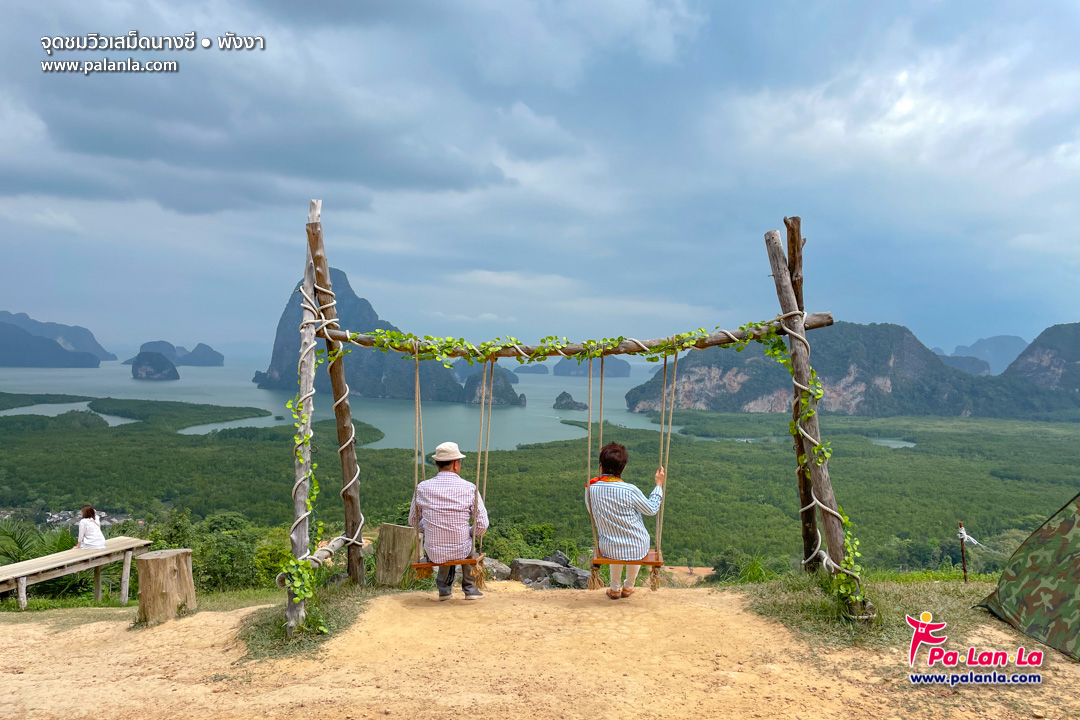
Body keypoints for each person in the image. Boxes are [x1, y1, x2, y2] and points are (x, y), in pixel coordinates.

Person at [409, 441, 489, 601]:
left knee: (442, 543)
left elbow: (413, 521)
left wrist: (430, 527)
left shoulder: (422, 487)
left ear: (437, 464)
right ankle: (470, 589)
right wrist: (469, 533)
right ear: (456, 465)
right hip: (461, 549)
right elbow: (482, 524)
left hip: (433, 551)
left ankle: (444, 591)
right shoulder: (469, 488)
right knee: (467, 543)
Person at [586, 442, 665, 600]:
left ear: (601, 466)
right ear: (623, 468)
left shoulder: (590, 489)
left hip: (608, 547)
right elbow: (651, 509)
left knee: (616, 546)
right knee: (634, 544)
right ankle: (628, 587)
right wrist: (658, 485)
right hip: (637, 546)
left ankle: (614, 589)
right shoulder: (630, 490)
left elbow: (591, 512)